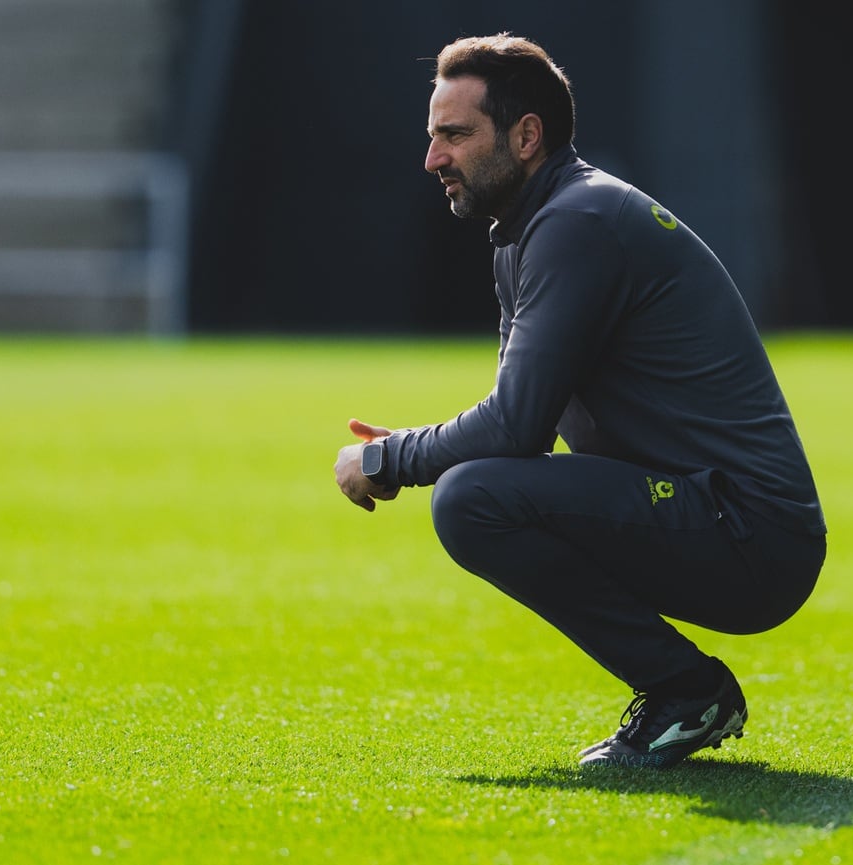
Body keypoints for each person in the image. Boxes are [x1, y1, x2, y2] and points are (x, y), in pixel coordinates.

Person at [331, 34, 826, 769]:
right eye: (434, 136)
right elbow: (518, 427)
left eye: (455, 135)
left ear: (526, 135)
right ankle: (686, 690)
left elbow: (513, 426)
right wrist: (411, 444)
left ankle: (688, 692)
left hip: (749, 531)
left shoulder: (576, 223)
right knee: (478, 489)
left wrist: (388, 457)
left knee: (471, 499)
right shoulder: (533, 227)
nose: (434, 159)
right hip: (723, 516)